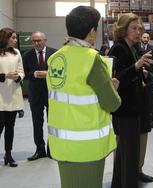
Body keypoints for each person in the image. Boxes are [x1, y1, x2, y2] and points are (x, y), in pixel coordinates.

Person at [46, 6, 121, 188]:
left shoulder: (55, 58)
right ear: (92, 32)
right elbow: (112, 103)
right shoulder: (92, 60)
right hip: (86, 148)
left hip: (61, 144)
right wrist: (113, 87)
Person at [109, 13, 153, 188]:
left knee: (125, 155)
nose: (138, 32)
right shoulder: (118, 49)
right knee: (128, 155)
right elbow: (116, 79)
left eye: (139, 29)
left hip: (134, 107)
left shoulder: (132, 48)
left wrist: (142, 73)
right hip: (125, 109)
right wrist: (136, 66)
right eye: (133, 28)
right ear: (123, 29)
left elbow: (133, 75)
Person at [22, 31, 57, 161]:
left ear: (45, 40)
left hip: (51, 94)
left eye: (39, 40)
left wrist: (50, 73)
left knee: (52, 123)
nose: (37, 43)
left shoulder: (55, 53)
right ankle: (40, 150)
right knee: (37, 123)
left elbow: (62, 72)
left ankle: (51, 150)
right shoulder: (27, 55)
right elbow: (24, 73)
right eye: (34, 41)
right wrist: (35, 74)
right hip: (35, 94)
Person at [0, 27, 25, 167]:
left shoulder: (17, 53)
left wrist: (18, 77)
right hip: (0, 95)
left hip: (13, 95)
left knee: (10, 128)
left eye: (16, 38)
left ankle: (8, 155)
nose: (15, 40)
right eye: (13, 38)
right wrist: (4, 76)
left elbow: (21, 70)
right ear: (5, 37)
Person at [139, 32, 153, 128]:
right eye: (144, 37)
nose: (146, 39)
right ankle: (143, 120)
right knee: (141, 99)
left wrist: (152, 61)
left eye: (147, 37)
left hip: (151, 78)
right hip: (139, 77)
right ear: (141, 38)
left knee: (151, 100)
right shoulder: (137, 48)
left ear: (149, 39)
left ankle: (152, 121)